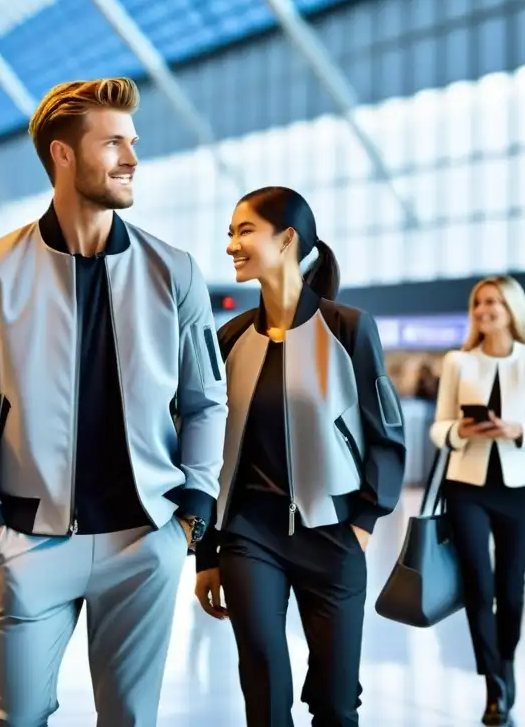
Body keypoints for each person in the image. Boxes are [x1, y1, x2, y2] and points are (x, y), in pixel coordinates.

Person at [0, 77, 227, 727]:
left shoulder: (174, 271)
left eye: (133, 142)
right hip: (27, 540)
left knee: (130, 719)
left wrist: (193, 510)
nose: (132, 158)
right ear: (64, 155)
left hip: (145, 536)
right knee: (13, 717)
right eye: (114, 143)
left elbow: (206, 398)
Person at [193, 186, 407, 727]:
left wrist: (362, 522)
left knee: (336, 702)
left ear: (287, 239)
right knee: (264, 692)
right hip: (248, 537)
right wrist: (206, 551)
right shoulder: (231, 338)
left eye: (245, 231)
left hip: (332, 535)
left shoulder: (348, 329)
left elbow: (387, 434)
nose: (231, 246)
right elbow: (207, 449)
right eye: (230, 233)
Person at [429, 275, 525, 725]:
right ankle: (493, 683)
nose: (484, 309)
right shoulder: (458, 362)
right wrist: (460, 431)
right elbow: (438, 427)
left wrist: (518, 430)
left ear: (512, 309)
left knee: (511, 590)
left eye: (493, 302)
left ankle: (506, 663)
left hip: (519, 487)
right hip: (467, 485)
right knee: (478, 584)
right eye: (478, 303)